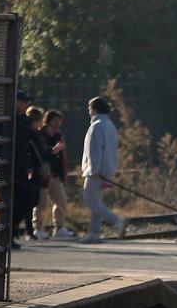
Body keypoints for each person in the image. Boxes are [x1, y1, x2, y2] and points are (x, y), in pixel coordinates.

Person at [80, 96, 127, 244]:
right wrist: (114, 168)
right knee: (97, 202)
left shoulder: (96, 126)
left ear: (94, 109)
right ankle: (94, 233)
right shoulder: (110, 125)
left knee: (91, 201)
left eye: (89, 108)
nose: (89, 112)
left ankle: (116, 221)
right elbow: (113, 150)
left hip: (96, 171)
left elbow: (95, 150)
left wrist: (94, 169)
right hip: (108, 170)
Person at [34, 109, 76, 240]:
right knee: (41, 202)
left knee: (61, 201)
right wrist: (52, 151)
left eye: (59, 122)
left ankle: (59, 228)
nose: (57, 124)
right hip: (43, 174)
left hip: (55, 175)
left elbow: (62, 157)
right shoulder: (40, 134)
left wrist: (63, 173)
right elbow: (41, 153)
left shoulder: (59, 135)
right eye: (55, 121)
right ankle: (38, 228)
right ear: (48, 120)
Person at [15, 107, 48, 243]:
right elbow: (32, 152)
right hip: (30, 172)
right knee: (28, 202)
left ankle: (25, 229)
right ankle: (24, 229)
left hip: (32, 171)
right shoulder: (31, 133)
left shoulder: (32, 133)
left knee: (30, 202)